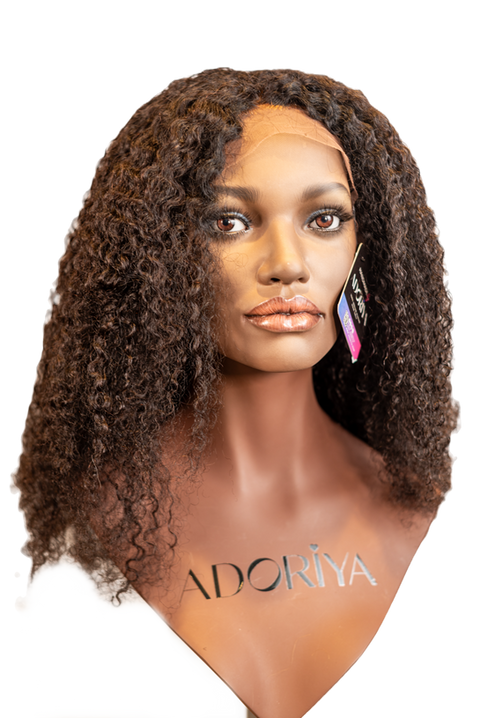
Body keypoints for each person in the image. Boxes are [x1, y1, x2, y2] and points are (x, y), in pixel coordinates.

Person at [11, 66, 461, 718]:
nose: (287, 263)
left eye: (325, 219)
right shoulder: (73, 524)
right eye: (229, 222)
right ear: (162, 252)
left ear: (369, 248)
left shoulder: (422, 509)